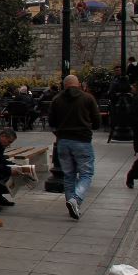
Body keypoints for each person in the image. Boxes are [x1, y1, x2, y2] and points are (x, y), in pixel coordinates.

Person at [49, 75, 102, 220]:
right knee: (86, 174)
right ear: (78, 84)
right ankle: (76, 199)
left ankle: (72, 205)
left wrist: (59, 132)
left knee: (69, 175)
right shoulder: (87, 98)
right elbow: (97, 121)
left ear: (64, 85)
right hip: (82, 140)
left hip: (63, 141)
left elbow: (51, 122)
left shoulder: (57, 99)